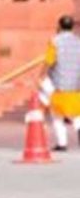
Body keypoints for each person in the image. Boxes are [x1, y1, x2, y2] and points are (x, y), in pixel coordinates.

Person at [41, 15, 80, 151]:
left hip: (59, 85)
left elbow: (49, 61)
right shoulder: (78, 42)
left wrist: (41, 76)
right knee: (76, 113)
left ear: (59, 26)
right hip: (76, 86)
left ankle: (62, 143)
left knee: (57, 115)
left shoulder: (55, 41)